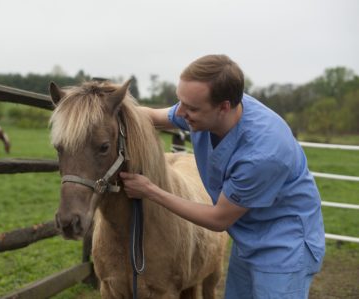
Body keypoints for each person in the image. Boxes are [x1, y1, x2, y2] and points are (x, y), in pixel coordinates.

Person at [119, 54, 325, 298]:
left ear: (224, 107)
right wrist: (110, 109)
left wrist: (150, 190)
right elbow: (152, 116)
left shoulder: (263, 153)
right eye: (180, 101)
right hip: (249, 235)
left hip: (284, 246)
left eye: (191, 108)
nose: (180, 112)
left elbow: (218, 220)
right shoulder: (205, 111)